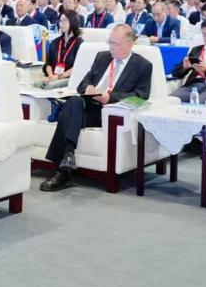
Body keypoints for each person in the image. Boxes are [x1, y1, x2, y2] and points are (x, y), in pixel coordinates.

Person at [40, 24, 153, 192]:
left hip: (109, 112)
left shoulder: (142, 65)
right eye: (110, 42)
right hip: (89, 105)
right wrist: (88, 88)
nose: (111, 47)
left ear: (130, 43)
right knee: (74, 101)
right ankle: (68, 157)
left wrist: (110, 97)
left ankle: (62, 171)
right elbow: (82, 83)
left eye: (115, 44)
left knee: (68, 112)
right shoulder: (102, 57)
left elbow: (141, 95)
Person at [42, 10, 82, 80]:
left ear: (73, 22)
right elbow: (48, 63)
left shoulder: (79, 43)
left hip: (69, 79)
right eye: (60, 21)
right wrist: (51, 76)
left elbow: (78, 67)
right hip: (53, 77)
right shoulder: (55, 42)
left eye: (65, 20)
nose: (61, 23)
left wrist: (59, 77)